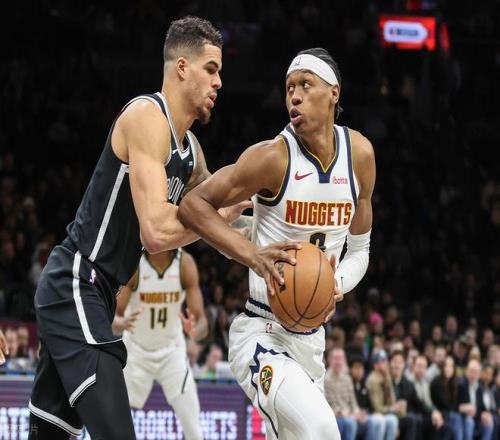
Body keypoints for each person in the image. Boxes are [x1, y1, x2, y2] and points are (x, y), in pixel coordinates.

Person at [27, 16, 250, 440]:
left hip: (99, 294)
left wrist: (275, 227)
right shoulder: (147, 116)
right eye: (211, 69)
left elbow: (226, 211)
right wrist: (215, 222)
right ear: (182, 66)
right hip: (76, 281)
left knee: (50, 435)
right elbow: (157, 232)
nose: (219, 82)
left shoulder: (190, 151)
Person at [179, 47, 376, 439]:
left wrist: (335, 283)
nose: (294, 97)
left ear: (333, 93)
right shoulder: (272, 158)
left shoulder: (360, 156)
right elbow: (193, 206)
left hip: (312, 343)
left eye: (305, 85)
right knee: (322, 429)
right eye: (289, 88)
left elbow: (360, 250)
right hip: (261, 332)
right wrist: (253, 255)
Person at [112, 249, 206, 440]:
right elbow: (113, 316)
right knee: (112, 422)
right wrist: (120, 324)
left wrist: (195, 331)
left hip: (172, 351)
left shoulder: (184, 263)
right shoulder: (134, 264)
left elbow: (202, 321)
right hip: (136, 351)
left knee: (194, 429)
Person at [350, 356, 398, 440]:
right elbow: (376, 407)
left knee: (392, 419)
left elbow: (391, 402)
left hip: (368, 414)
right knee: (379, 420)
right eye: (357, 368)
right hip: (355, 415)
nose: (359, 371)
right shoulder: (370, 380)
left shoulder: (363, 383)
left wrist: (388, 379)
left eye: (361, 368)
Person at [458, 359, 494, 440]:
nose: (473, 375)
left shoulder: (480, 387)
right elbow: (456, 405)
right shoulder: (461, 385)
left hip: (477, 416)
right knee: (469, 421)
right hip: (464, 417)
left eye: (476, 372)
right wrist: (464, 408)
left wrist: (486, 414)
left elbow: (482, 406)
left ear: (479, 374)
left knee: (489, 422)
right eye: (471, 371)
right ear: (466, 371)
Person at [430, 355, 463, 440]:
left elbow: (455, 403)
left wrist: (458, 407)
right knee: (455, 417)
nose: (448, 369)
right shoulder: (436, 382)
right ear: (442, 367)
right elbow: (444, 404)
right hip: (437, 412)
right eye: (446, 366)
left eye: (451, 366)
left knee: (460, 418)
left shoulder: (453, 383)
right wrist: (458, 408)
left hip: (448, 412)